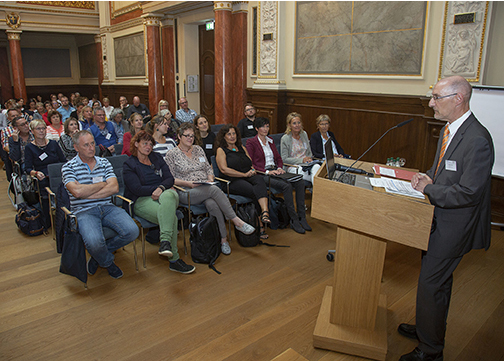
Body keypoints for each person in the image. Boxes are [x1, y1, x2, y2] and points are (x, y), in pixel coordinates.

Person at [398, 76, 494, 361]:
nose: (431, 103)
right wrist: (428, 176)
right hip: (436, 218)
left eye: (436, 97)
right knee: (437, 283)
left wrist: (430, 188)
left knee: (431, 283)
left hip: (455, 225)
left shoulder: (478, 139)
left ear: (458, 98)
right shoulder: (450, 130)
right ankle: (428, 328)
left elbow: (469, 192)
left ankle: (430, 351)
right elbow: (443, 170)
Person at [164, 123, 255, 255]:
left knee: (213, 205)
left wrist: (210, 177)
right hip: (186, 191)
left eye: (192, 136)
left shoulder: (198, 149)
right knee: (214, 191)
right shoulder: (172, 154)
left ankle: (223, 240)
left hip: (205, 187)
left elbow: (207, 168)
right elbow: (170, 179)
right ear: (179, 136)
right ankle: (237, 221)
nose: (190, 138)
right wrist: (188, 183)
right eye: (187, 136)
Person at [62, 130, 139, 279]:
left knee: (132, 231)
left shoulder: (104, 162)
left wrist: (87, 192)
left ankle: (99, 256)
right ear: (76, 147)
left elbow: (114, 188)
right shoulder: (68, 167)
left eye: (92, 143)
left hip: (107, 207)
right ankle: (107, 262)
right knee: (94, 243)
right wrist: (103, 184)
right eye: (86, 145)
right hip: (84, 211)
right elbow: (76, 192)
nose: (91, 148)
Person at [123, 131, 195, 274]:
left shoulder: (156, 158)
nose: (148, 147)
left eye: (150, 144)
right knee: (172, 217)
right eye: (145, 143)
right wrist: (156, 189)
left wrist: (161, 188)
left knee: (169, 195)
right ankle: (173, 257)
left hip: (165, 194)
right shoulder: (129, 164)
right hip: (142, 200)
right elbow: (136, 188)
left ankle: (165, 242)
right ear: (136, 144)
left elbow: (169, 179)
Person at [246, 117, 310, 234]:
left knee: (300, 182)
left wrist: (280, 167)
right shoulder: (251, 142)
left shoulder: (270, 140)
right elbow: (251, 163)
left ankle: (302, 217)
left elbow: (279, 158)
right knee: (287, 186)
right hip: (262, 174)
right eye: (263, 126)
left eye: (267, 126)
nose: (266, 129)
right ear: (256, 128)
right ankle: (294, 219)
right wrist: (267, 172)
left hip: (275, 171)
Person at [215, 124, 271, 239]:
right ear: (224, 137)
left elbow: (250, 163)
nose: (232, 136)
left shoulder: (242, 147)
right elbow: (223, 169)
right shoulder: (221, 150)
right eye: (229, 134)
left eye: (234, 133)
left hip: (247, 175)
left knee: (259, 181)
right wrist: (244, 174)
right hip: (231, 181)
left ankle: (265, 212)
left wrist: (252, 170)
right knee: (253, 190)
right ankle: (260, 224)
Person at [25, 120, 66, 228]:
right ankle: (47, 221)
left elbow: (63, 160)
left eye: (43, 128)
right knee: (44, 188)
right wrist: (36, 173)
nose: (42, 131)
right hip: (43, 176)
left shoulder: (53, 144)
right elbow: (27, 168)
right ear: (32, 131)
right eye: (38, 129)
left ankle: (65, 218)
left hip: (57, 174)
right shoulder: (29, 147)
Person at [280, 112, 321, 184]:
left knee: (317, 167)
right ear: (289, 125)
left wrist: (309, 158)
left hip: (307, 164)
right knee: (316, 177)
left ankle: (316, 191)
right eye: (294, 123)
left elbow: (309, 152)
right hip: (294, 166)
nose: (297, 125)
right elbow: (284, 159)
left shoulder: (304, 134)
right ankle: (318, 191)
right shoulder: (285, 138)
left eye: (299, 123)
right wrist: (302, 160)